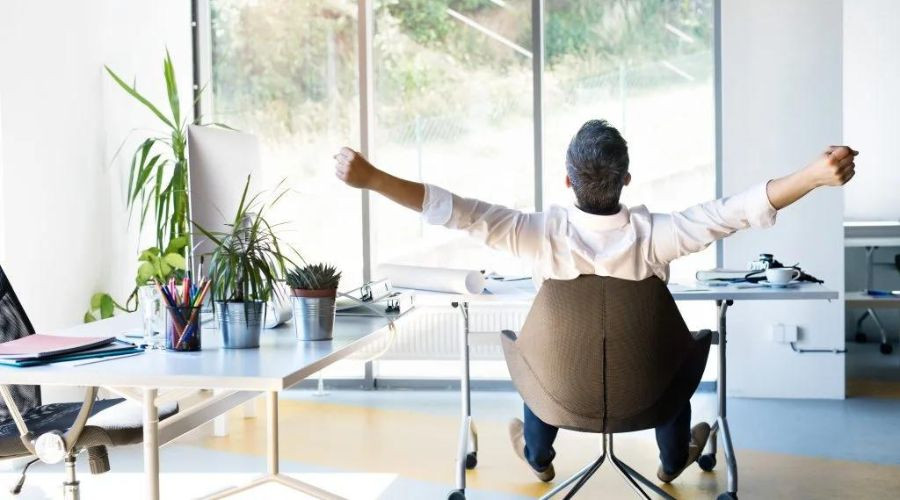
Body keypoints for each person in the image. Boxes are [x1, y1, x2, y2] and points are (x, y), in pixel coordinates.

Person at [332, 119, 857, 483]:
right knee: (673, 350)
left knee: (537, 349)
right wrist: (812, 175)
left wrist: (372, 179)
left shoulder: (536, 235)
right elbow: (737, 211)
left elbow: (455, 211)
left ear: (567, 180)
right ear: (626, 178)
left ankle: (538, 453)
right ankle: (673, 457)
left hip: (563, 394)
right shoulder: (659, 235)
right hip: (648, 396)